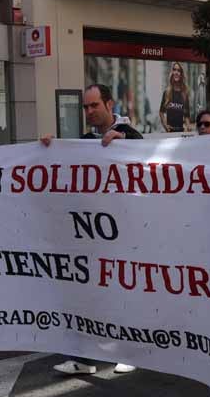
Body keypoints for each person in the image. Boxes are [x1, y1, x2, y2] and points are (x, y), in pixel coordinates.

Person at [41, 84, 143, 375]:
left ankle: (128, 351)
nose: (88, 112)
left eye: (94, 105)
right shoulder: (84, 141)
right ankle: (83, 358)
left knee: (122, 293)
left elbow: (147, 161)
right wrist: (47, 149)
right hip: (90, 233)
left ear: (110, 104)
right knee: (86, 296)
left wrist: (124, 143)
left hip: (123, 231)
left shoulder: (131, 134)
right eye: (85, 107)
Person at [160, 62, 191, 133]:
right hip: (169, 132)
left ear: (181, 74)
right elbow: (161, 112)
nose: (176, 72)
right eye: (174, 70)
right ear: (172, 72)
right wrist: (165, 126)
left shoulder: (184, 93)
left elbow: (186, 115)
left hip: (181, 131)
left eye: (179, 70)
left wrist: (188, 127)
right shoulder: (167, 92)